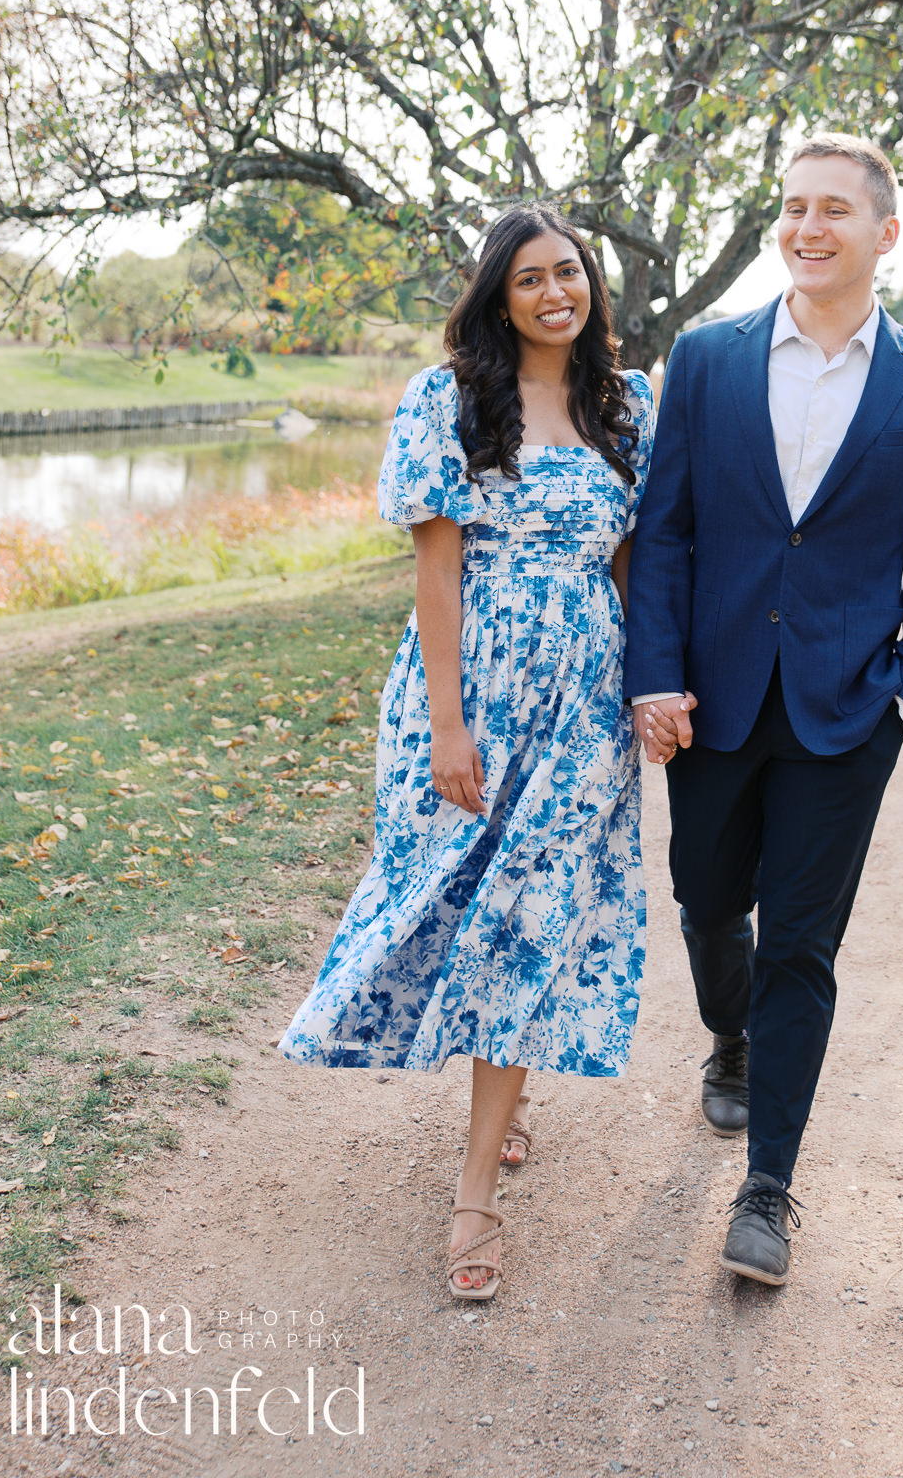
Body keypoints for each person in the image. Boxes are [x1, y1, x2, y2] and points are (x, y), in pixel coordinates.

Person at [281, 204, 656, 1301]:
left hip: (584, 697)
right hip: (472, 691)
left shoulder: (627, 403)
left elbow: (632, 565)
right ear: (498, 293)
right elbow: (435, 573)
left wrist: (644, 691)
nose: (556, 293)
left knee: (529, 916)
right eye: (531, 277)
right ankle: (499, 1100)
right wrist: (447, 723)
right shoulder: (444, 397)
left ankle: (473, 1192)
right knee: (446, 896)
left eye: (571, 272)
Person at [625, 133, 903, 1287]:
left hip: (845, 713)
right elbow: (667, 527)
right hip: (711, 699)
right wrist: (653, 672)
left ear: (882, 232)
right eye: (791, 207)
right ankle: (726, 1034)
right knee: (706, 899)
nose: (806, 226)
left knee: (804, 945)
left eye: (832, 208)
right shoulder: (708, 358)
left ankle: (767, 1184)